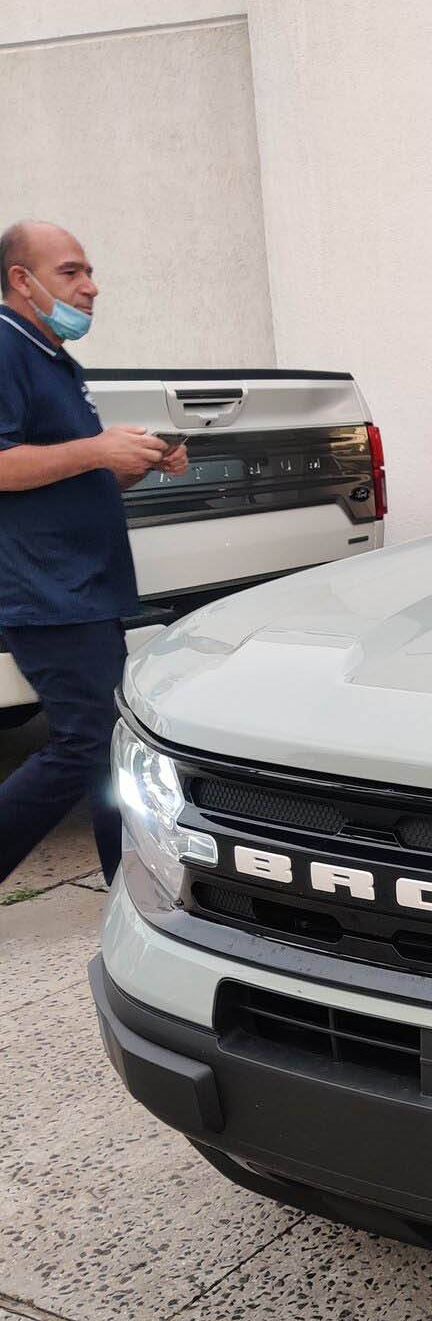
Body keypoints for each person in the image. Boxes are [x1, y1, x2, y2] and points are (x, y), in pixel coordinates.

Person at [0, 220, 187, 888]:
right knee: (86, 742)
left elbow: (74, 473)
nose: (91, 287)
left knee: (109, 746)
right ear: (22, 280)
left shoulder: (52, 358)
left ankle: (126, 885)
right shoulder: (3, 345)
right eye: (72, 272)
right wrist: (97, 448)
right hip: (47, 591)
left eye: (89, 272)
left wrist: (139, 459)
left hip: (88, 586)